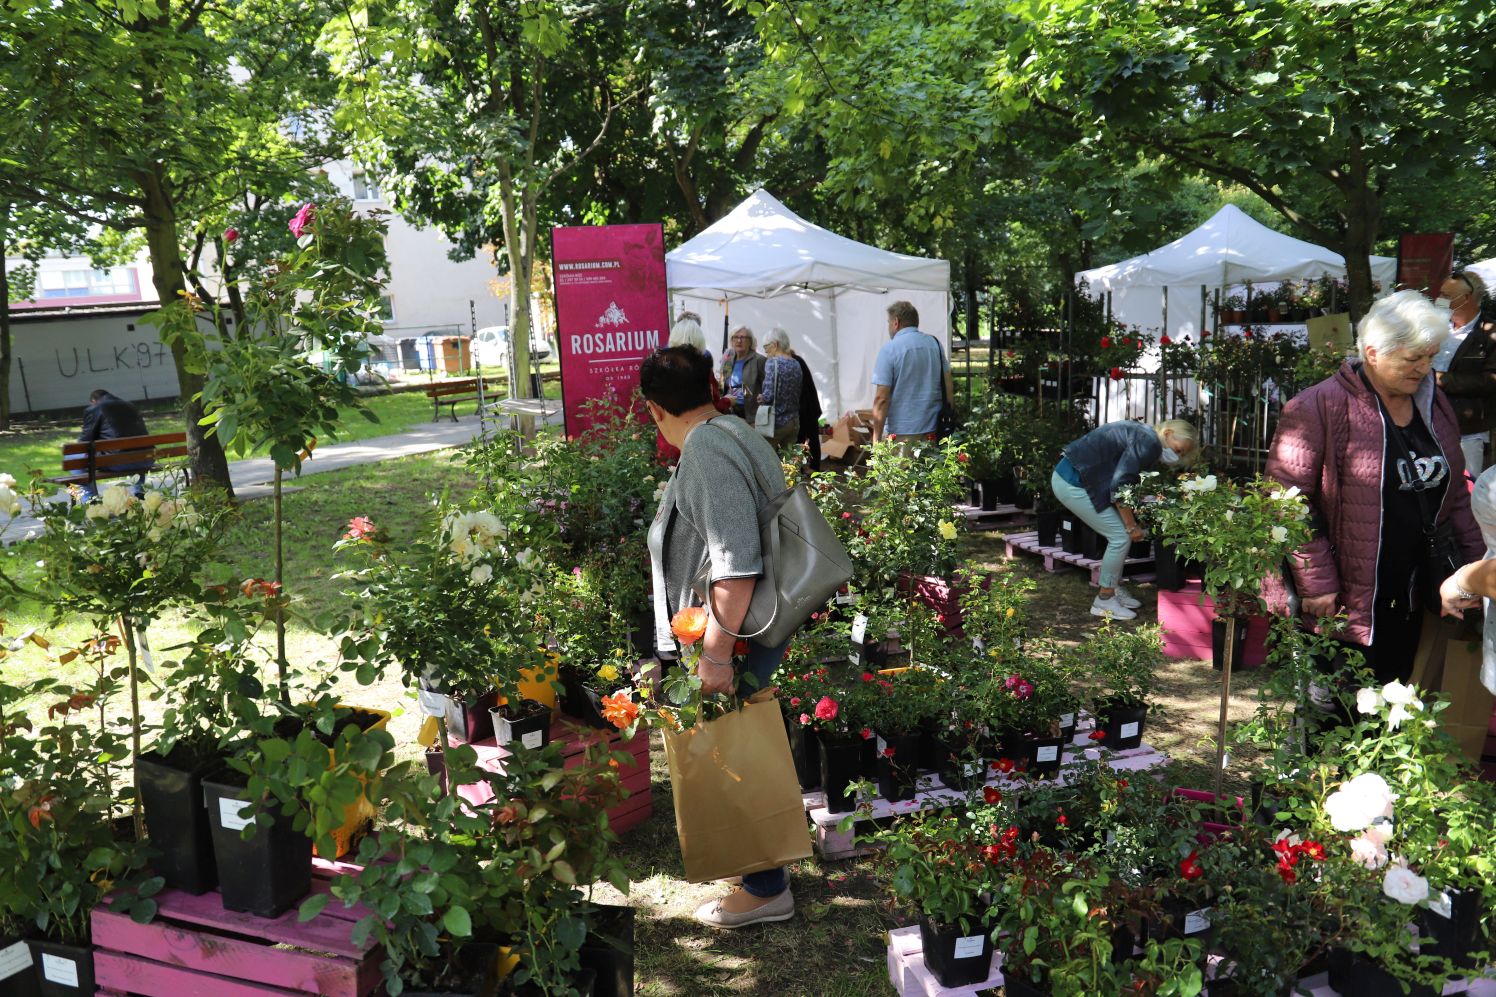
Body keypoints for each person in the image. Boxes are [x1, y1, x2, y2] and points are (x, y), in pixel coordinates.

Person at [641, 346, 797, 929]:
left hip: (734, 631)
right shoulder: (732, 429)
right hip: (746, 626)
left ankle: (765, 888)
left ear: (654, 409)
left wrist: (716, 653)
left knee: (737, 752)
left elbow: (735, 563)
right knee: (739, 746)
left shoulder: (706, 449)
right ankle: (759, 871)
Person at [1266, 290, 1482, 685]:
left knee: (1392, 698)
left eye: (1430, 357)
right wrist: (1316, 582)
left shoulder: (1435, 404)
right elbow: (1286, 503)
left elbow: (1453, 496)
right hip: (1343, 595)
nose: (1423, 368)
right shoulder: (1316, 406)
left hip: (1414, 585)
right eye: (1412, 358)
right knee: (1336, 712)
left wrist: (1474, 566)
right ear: (1372, 352)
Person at [1052, 419, 1199, 620]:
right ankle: (1104, 600)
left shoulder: (1146, 435)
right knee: (1121, 536)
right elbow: (1120, 484)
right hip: (1072, 483)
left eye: (1181, 454)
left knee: (1119, 533)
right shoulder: (1150, 443)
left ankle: (1112, 586)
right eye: (1179, 449)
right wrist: (1131, 526)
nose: (1177, 455)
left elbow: (1121, 477)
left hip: (1073, 477)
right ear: (1168, 434)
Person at [1433, 270, 1496, 476]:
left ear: (1466, 298)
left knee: (1466, 487)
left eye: (1446, 296)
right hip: (1428, 421)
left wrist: (1441, 380)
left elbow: (1491, 381)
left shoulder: (1489, 333)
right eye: (1440, 294)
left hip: (1467, 430)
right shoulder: (1435, 327)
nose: (1439, 300)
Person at [871, 301, 954, 445]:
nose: (889, 326)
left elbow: (881, 399)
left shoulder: (889, 349)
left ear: (896, 322)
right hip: (934, 428)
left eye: (889, 322)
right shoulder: (935, 344)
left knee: (903, 468)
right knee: (931, 467)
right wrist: (949, 417)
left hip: (902, 432)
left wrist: (876, 439)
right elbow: (948, 385)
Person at [656, 315, 730, 463]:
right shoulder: (700, 370)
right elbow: (710, 408)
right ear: (699, 339)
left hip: (668, 439)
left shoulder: (659, 367)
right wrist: (728, 401)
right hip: (694, 441)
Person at [75, 388, 151, 498]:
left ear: (93, 401)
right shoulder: (131, 406)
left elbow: (84, 441)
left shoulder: (95, 409)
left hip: (118, 463)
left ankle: (90, 499)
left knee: (72, 456)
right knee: (135, 450)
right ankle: (140, 492)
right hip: (145, 459)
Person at [757, 327, 803, 450]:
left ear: (775, 345)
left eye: (766, 347)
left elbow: (768, 396)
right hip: (794, 420)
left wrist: (762, 397)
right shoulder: (796, 363)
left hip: (776, 421)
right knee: (790, 461)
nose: (765, 351)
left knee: (765, 456)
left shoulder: (772, 363)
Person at [789, 340, 824, 471]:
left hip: (807, 407)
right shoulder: (797, 360)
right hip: (807, 406)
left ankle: (812, 468)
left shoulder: (795, 362)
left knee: (810, 438)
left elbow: (804, 388)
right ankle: (807, 467)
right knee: (808, 438)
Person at [718, 326, 765, 423]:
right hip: (729, 410)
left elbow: (768, 387)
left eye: (743, 337)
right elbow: (722, 383)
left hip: (750, 415)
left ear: (750, 342)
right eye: (736, 337)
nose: (739, 341)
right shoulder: (729, 358)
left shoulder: (758, 360)